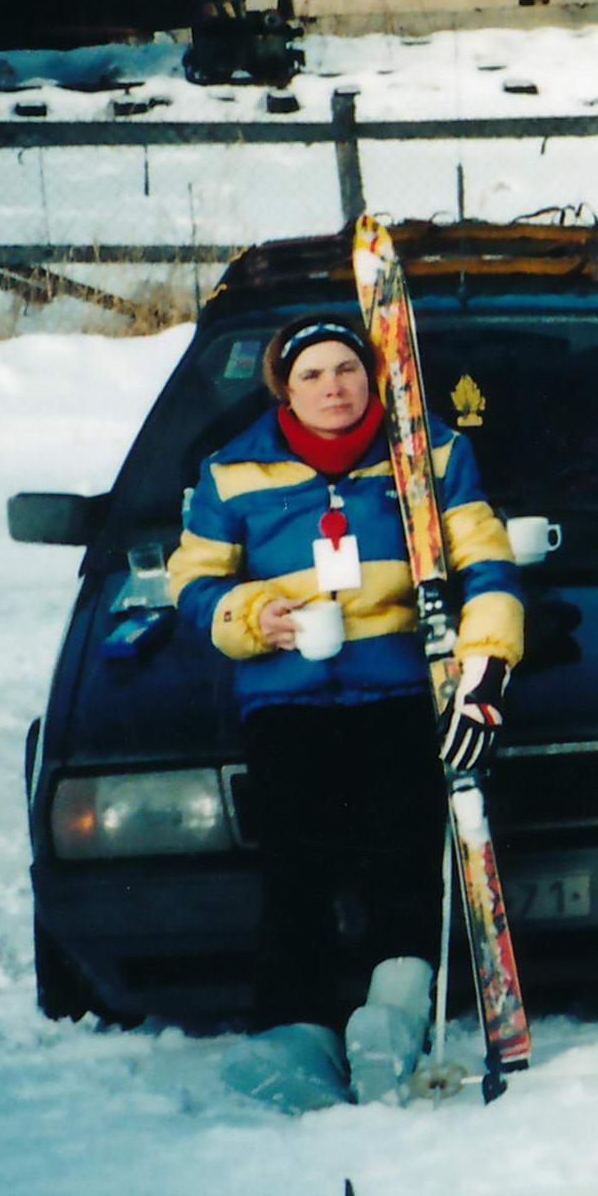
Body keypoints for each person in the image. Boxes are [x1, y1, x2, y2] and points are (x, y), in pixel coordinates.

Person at [168, 312, 525, 1104]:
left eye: (348, 370)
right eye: (313, 375)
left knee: (404, 859)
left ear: (375, 377)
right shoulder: (232, 472)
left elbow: (487, 565)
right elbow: (193, 585)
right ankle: (295, 1032)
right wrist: (252, 616)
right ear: (284, 390)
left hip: (401, 691)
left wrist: (485, 664)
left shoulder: (429, 456)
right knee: (297, 868)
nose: (334, 387)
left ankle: (389, 1020)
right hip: (285, 698)